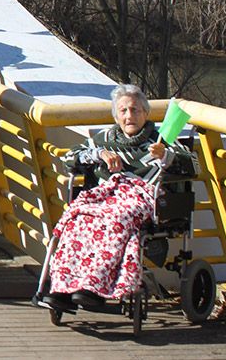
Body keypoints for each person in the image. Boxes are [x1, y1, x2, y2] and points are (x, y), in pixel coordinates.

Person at [43, 84, 195, 312]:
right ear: (116, 116)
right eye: (123, 111)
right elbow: (69, 159)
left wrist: (167, 155)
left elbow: (194, 164)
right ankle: (63, 288)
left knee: (117, 219)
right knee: (76, 219)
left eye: (135, 110)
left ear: (145, 113)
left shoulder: (160, 139)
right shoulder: (105, 138)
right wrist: (98, 153)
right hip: (105, 196)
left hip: (140, 196)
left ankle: (94, 288)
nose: (129, 116)